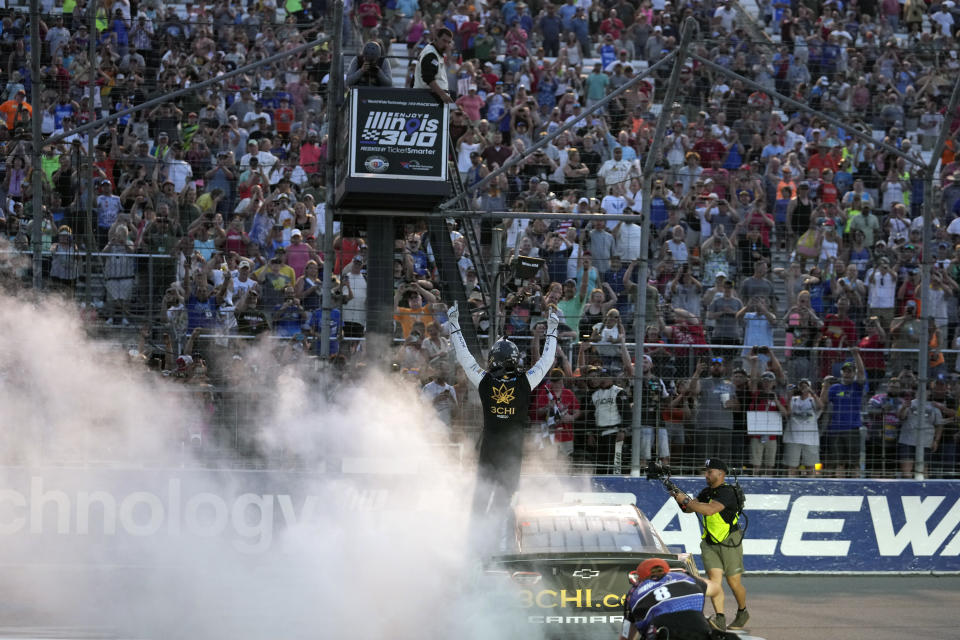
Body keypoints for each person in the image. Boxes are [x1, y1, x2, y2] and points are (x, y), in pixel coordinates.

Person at [445, 301, 558, 523]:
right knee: (503, 505)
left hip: (487, 451)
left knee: (479, 503)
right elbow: (546, 361)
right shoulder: (526, 381)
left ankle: (476, 543)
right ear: (515, 359)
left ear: (493, 358)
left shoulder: (484, 380)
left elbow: (465, 359)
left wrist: (454, 325)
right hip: (512, 455)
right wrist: (552, 330)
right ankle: (499, 544)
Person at [668, 459, 748, 633]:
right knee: (714, 582)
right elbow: (689, 509)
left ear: (721, 473)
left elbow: (709, 510)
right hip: (709, 542)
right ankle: (720, 618)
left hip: (730, 542)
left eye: (709, 471)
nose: (706, 475)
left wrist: (687, 501)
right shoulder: (706, 491)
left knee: (734, 583)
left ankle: (742, 612)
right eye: (706, 471)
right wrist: (677, 496)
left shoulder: (728, 492)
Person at [619, 558, 738, 640]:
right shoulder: (685, 578)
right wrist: (720, 615)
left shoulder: (633, 592)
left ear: (640, 578)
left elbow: (626, 635)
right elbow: (716, 589)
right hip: (696, 625)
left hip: (662, 630)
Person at [819, 347, 867, 477]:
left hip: (852, 428)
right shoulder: (835, 387)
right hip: (835, 429)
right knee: (838, 462)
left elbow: (862, 373)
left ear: (854, 373)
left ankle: (855, 485)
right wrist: (825, 385)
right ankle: (840, 486)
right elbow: (823, 402)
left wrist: (856, 354)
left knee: (854, 463)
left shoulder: (857, 386)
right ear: (841, 373)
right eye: (845, 371)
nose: (848, 374)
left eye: (850, 371)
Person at [413, 28, 454, 104]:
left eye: (449, 42)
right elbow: (428, 78)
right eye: (444, 41)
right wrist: (442, 94)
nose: (446, 45)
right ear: (436, 38)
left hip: (431, 98)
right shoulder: (431, 54)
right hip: (428, 99)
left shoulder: (436, 52)